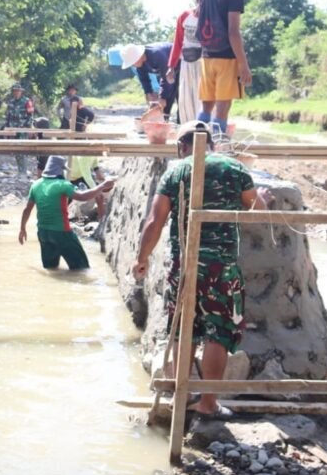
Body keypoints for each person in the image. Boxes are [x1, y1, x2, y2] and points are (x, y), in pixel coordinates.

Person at [133, 120, 272, 419]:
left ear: (181, 146)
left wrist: (141, 258)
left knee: (184, 329)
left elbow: (154, 222)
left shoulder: (176, 171)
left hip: (184, 265)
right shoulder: (234, 168)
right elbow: (257, 211)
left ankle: (181, 395)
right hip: (221, 267)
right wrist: (264, 199)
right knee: (218, 332)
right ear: (212, 143)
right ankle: (208, 402)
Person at [195, 0, 262, 136]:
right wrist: (243, 64)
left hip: (207, 55)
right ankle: (218, 143)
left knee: (206, 105)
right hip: (226, 57)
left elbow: (197, 15)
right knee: (223, 106)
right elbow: (233, 32)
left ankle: (195, 142)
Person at [19, 155, 115, 270]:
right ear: (60, 170)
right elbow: (82, 196)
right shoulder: (63, 184)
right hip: (62, 233)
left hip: (43, 233)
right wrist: (103, 186)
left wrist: (22, 228)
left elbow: (27, 210)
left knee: (51, 269)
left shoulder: (36, 185)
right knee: (81, 269)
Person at [120, 41, 177, 118]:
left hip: (178, 64)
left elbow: (167, 77)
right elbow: (144, 79)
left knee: (175, 94)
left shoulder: (157, 54)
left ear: (138, 57)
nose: (133, 65)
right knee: (163, 103)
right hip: (166, 71)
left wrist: (163, 97)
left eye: (133, 62)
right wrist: (148, 93)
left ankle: (181, 120)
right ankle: (163, 119)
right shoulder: (140, 65)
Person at [166, 9, 202, 124]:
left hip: (203, 63)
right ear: (197, 1)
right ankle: (188, 127)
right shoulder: (184, 16)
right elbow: (177, 42)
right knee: (185, 99)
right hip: (186, 63)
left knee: (201, 98)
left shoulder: (210, 17)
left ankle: (203, 127)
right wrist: (171, 66)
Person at [3, 83, 34, 175]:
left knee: (23, 149)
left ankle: (23, 171)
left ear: (21, 92)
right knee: (16, 150)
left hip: (23, 129)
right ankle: (20, 170)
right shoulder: (11, 102)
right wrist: (6, 128)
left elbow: (31, 115)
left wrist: (28, 128)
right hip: (13, 129)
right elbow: (7, 116)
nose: (16, 92)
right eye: (15, 91)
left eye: (18, 91)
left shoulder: (27, 101)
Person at [68, 155, 108, 222]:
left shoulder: (93, 152)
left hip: (81, 175)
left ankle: (101, 216)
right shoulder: (83, 156)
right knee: (68, 199)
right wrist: (97, 190)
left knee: (98, 194)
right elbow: (87, 177)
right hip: (71, 178)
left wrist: (97, 170)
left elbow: (94, 159)